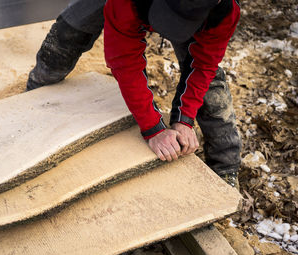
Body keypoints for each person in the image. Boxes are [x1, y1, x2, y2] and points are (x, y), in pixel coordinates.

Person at [26, 0, 242, 189]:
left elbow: (204, 65)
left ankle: (226, 164)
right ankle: (40, 85)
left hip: (202, 13)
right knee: (71, 30)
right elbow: (124, 58)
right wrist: (153, 128)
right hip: (130, 4)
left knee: (210, 83)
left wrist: (184, 119)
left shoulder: (224, 11)